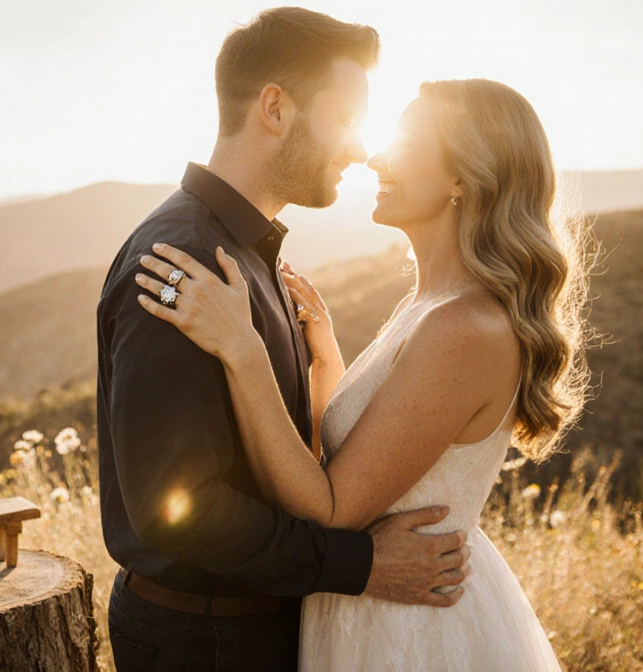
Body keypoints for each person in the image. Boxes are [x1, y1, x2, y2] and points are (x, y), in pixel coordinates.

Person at [134, 78, 590, 670]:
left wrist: (241, 348)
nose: (376, 155)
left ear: (463, 178)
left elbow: (328, 509)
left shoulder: (464, 327)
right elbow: (362, 461)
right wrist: (328, 362)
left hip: (412, 625)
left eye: (406, 143)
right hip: (370, 606)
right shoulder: (430, 304)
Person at [96, 8, 471, 672]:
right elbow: (174, 508)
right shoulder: (182, 261)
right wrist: (358, 564)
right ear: (275, 107)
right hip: (203, 645)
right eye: (346, 121)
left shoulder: (249, 254)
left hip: (252, 630)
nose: (359, 149)